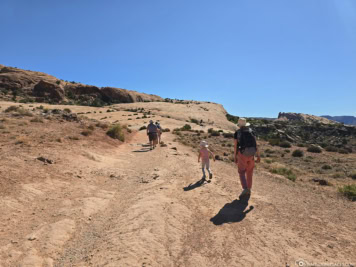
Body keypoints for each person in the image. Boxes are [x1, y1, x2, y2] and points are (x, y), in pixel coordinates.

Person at [234, 118, 260, 199]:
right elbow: (256, 144)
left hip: (242, 154)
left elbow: (235, 146)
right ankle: (249, 189)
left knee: (241, 171)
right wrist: (258, 155)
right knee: (250, 172)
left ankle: (245, 188)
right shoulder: (251, 131)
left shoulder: (237, 133)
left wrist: (235, 156)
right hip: (252, 154)